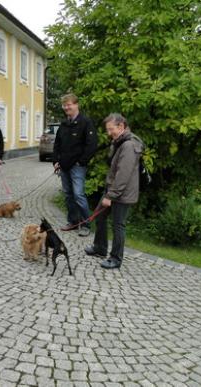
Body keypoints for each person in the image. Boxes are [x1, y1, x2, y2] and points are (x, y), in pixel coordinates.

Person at [84, 113, 143, 269]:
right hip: (113, 190)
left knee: (118, 225)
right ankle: (100, 248)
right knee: (100, 216)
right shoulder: (119, 142)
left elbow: (123, 174)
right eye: (107, 130)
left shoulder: (129, 146)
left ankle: (116, 259)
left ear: (121, 127)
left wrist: (111, 195)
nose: (109, 133)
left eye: (111, 129)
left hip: (121, 193)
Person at [53, 93, 98, 236]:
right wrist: (56, 161)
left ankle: (86, 225)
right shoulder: (64, 124)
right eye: (64, 105)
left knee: (78, 195)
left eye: (69, 104)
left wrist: (81, 161)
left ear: (76, 105)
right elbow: (57, 144)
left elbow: (91, 145)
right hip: (64, 166)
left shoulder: (86, 122)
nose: (66, 107)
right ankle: (73, 222)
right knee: (68, 195)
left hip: (77, 166)